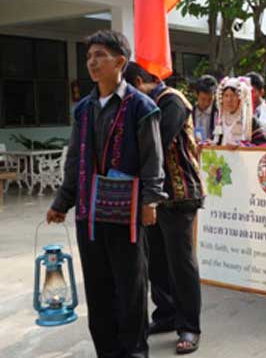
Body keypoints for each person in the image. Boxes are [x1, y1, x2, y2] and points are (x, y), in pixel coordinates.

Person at [47, 30, 166, 358]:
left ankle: (134, 352)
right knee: (98, 292)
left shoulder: (141, 106)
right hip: (89, 214)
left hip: (126, 212)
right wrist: (62, 202)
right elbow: (75, 158)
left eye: (100, 55)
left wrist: (151, 200)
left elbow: (152, 158)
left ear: (120, 62)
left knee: (130, 289)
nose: (92, 62)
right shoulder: (83, 109)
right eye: (89, 56)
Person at [123, 62, 204, 354]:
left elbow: (155, 142)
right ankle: (167, 314)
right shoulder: (143, 104)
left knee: (180, 262)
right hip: (151, 196)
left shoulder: (172, 101)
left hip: (180, 193)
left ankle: (189, 326)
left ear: (138, 81)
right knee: (155, 260)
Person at [213, 77, 266, 146]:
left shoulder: (250, 121)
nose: (229, 100)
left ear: (241, 98)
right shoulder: (219, 120)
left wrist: (241, 146)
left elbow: (263, 145)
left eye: (233, 95)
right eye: (226, 96)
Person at [193, 75, 219, 143]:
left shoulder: (219, 114)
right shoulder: (189, 113)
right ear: (196, 94)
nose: (206, 103)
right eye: (203, 99)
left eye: (210, 99)